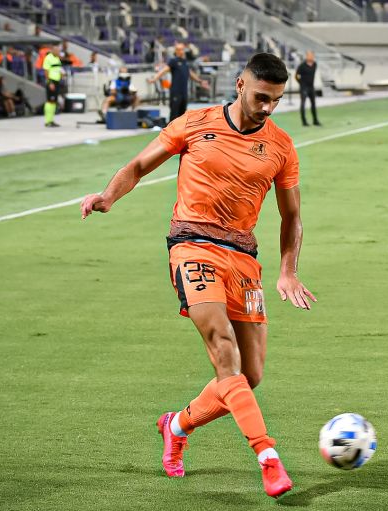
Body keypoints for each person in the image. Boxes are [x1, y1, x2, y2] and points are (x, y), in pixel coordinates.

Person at [80, 52, 315, 499]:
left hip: (243, 256)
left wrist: (288, 271)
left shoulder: (281, 146)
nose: (268, 108)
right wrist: (108, 196)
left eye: (276, 100)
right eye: (261, 97)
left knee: (250, 374)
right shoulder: (194, 123)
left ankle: (176, 425)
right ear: (240, 85)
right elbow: (138, 166)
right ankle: (267, 456)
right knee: (224, 351)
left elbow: (292, 216)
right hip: (192, 245)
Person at [147, 42, 209, 123]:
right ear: (176, 51)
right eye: (179, 50)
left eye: (182, 49)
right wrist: (154, 79)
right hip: (176, 92)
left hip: (184, 92)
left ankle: (181, 131)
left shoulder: (185, 62)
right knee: (174, 114)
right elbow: (163, 70)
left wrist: (200, 81)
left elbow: (190, 73)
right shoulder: (173, 61)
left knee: (182, 115)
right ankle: (170, 130)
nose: (181, 51)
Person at [295, 50, 321, 127]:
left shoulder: (315, 64)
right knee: (303, 104)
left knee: (313, 104)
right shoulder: (302, 65)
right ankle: (304, 121)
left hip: (311, 87)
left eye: (312, 55)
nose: (311, 57)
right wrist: (301, 83)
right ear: (306, 56)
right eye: (309, 55)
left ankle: (315, 120)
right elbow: (296, 76)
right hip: (304, 88)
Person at [42, 43, 62, 127]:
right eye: (57, 51)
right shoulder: (48, 58)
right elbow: (46, 71)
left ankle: (51, 120)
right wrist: (50, 82)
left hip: (57, 81)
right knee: (50, 101)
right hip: (52, 82)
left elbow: (58, 69)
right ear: (53, 50)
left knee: (54, 102)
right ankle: (47, 121)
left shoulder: (57, 58)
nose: (58, 52)